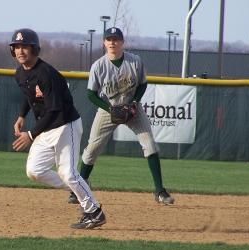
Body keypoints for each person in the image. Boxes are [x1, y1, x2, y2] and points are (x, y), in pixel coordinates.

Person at [9, 28, 106, 229]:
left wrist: (30, 134)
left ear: (34, 49)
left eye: (24, 46)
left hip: (65, 124)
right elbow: (29, 96)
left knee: (69, 173)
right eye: (16, 47)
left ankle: (94, 212)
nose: (20, 51)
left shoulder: (47, 74)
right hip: (46, 128)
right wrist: (21, 115)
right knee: (34, 171)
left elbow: (54, 110)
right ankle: (80, 187)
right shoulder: (20, 73)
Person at [68, 27, 175, 205]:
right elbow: (91, 94)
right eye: (109, 39)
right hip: (108, 108)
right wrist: (109, 109)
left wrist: (134, 102)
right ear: (104, 42)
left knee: (149, 144)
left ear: (122, 42)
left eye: (116, 39)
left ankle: (160, 191)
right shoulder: (99, 66)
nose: (112, 42)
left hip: (132, 107)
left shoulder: (135, 61)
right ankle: (80, 186)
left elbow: (142, 84)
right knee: (93, 148)